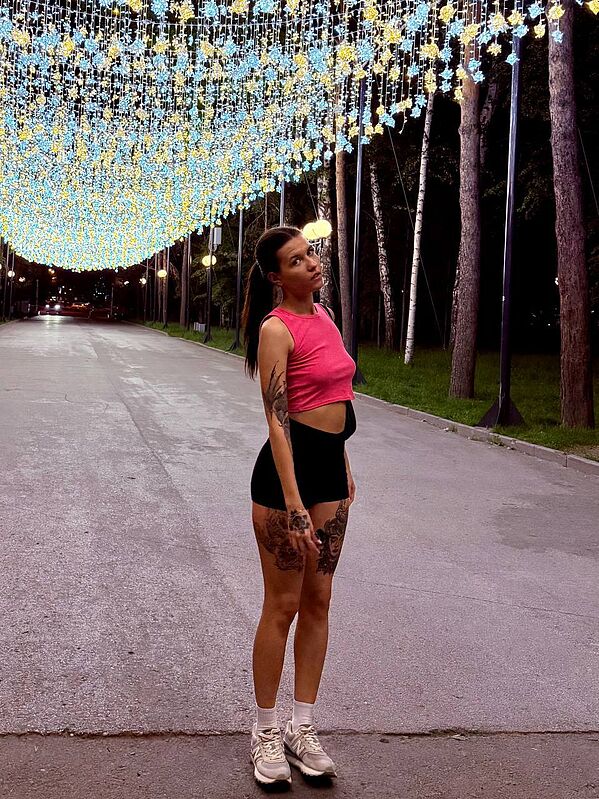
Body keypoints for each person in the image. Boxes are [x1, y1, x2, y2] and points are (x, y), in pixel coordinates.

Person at [241, 226, 357, 785]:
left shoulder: (326, 317)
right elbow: (277, 418)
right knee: (283, 605)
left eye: (309, 253)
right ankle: (265, 730)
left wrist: (344, 464)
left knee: (319, 601)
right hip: (285, 481)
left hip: (329, 472)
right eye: (296, 260)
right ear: (275, 277)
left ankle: (301, 726)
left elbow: (335, 396)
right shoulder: (275, 328)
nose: (311, 263)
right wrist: (293, 501)